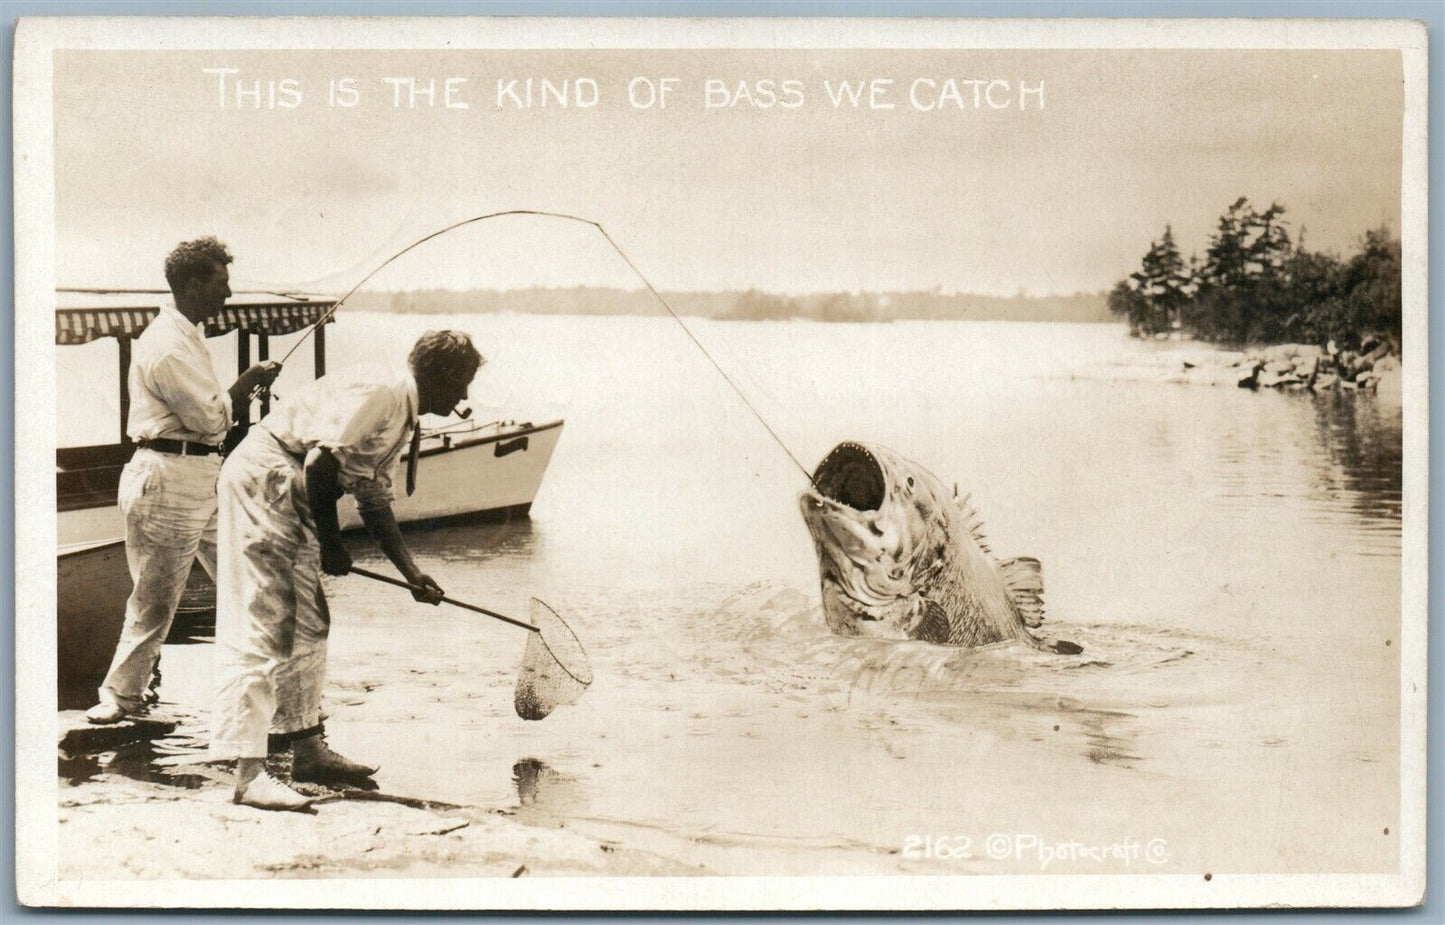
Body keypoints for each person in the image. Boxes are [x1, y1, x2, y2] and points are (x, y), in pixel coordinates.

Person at [210, 330, 483, 811]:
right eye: (462, 382)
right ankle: (248, 776)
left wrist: (411, 572)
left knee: (311, 621)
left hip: (288, 484)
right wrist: (332, 544)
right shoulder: (385, 393)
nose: (463, 395)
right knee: (269, 622)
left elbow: (373, 497)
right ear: (441, 375)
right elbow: (319, 465)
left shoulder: (402, 409)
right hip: (267, 478)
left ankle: (307, 750)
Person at [85, 237, 281, 724]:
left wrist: (240, 391)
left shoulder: (187, 334)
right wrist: (248, 381)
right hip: (167, 479)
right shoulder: (168, 344)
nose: (228, 292)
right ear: (192, 285)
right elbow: (211, 421)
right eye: (221, 282)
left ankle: (265, 688)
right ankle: (120, 696)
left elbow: (211, 420)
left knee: (250, 579)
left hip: (200, 476)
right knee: (154, 601)